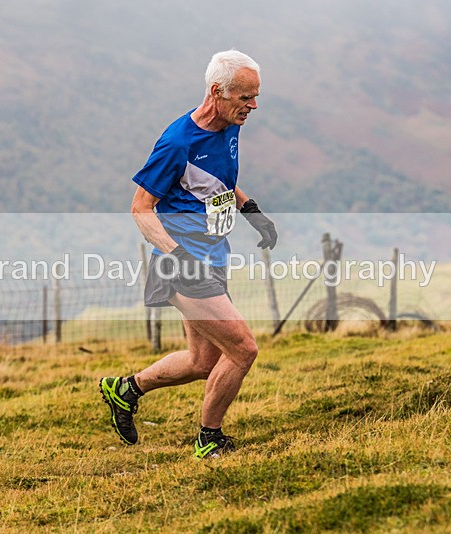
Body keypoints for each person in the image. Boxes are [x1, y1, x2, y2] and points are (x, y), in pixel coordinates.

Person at [99, 50, 277, 459]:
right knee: (243, 349)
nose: (253, 106)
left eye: (255, 96)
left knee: (202, 361)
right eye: (245, 97)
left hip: (213, 257)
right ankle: (208, 439)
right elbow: (140, 208)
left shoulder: (229, 125)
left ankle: (126, 389)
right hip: (183, 264)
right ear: (217, 92)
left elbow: (215, 182)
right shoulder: (177, 142)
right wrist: (178, 254)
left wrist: (253, 212)